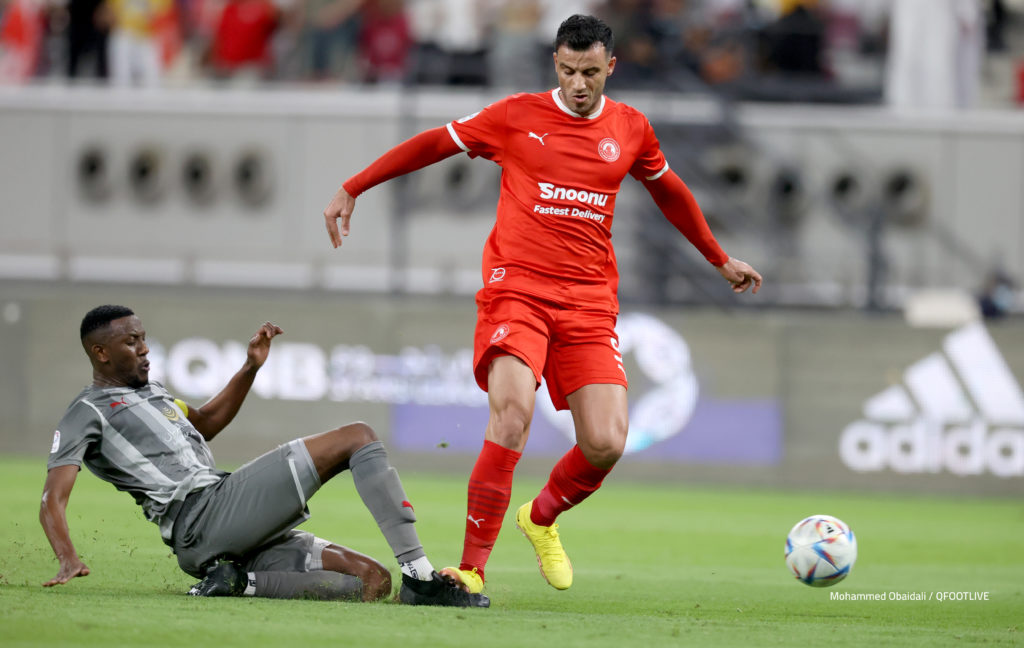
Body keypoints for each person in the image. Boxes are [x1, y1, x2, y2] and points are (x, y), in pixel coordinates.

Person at [322, 14, 762, 596]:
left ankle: (541, 516)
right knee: (512, 415)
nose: (578, 84)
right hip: (517, 290)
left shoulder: (631, 128)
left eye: (590, 73)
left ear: (611, 67)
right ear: (555, 63)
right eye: (568, 71)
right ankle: (471, 571)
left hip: (589, 302)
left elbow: (670, 192)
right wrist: (354, 185)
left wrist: (718, 258)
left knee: (606, 443)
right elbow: (433, 144)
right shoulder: (515, 116)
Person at [40, 304, 489, 607]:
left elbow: (206, 422)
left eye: (143, 338)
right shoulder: (86, 412)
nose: (144, 349)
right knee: (358, 436)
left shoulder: (153, 393)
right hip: (203, 515)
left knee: (371, 582)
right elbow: (52, 499)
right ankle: (421, 579)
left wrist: (250, 368)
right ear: (100, 352)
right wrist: (67, 557)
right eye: (131, 341)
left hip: (222, 532)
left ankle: (237, 581)